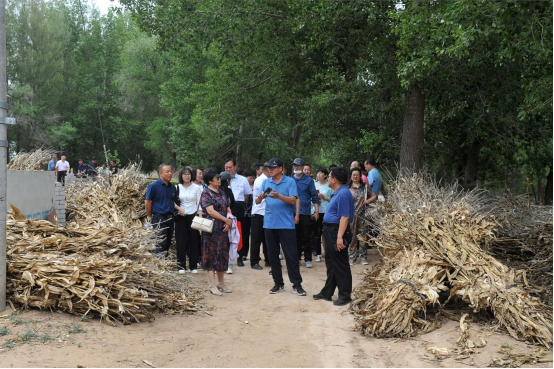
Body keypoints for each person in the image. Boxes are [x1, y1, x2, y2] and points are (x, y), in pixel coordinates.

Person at [256, 158, 306, 296]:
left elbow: (292, 200)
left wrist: (279, 196)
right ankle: (278, 283)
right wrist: (260, 198)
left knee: (291, 255)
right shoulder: (266, 182)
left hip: (286, 225)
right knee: (273, 256)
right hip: (269, 224)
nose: (270, 170)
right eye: (268, 168)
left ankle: (297, 284)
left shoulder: (290, 182)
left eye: (273, 167)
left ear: (281, 168)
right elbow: (257, 200)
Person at [313, 167, 355, 306]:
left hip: (337, 231)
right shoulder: (339, 192)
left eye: (329, 176)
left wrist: (339, 238)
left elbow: (344, 217)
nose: (328, 177)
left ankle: (345, 295)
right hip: (331, 230)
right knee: (331, 263)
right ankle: (327, 292)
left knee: (340, 264)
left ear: (334, 179)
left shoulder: (343, 194)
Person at [200, 168, 234, 296]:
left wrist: (228, 221)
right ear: (210, 180)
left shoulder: (222, 192)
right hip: (212, 229)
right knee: (211, 255)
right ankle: (212, 285)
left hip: (223, 228)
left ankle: (221, 282)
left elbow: (228, 207)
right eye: (217, 177)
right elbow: (210, 211)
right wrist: (225, 219)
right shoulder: (206, 193)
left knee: (222, 254)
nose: (220, 179)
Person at [145, 164, 179, 256]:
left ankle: (164, 264)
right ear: (160, 173)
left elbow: (173, 202)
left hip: (170, 218)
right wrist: (150, 216)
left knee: (168, 242)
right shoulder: (154, 186)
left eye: (171, 171)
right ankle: (160, 265)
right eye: (167, 171)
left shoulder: (172, 187)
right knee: (161, 243)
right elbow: (148, 202)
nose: (170, 173)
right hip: (159, 217)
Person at [224, 158, 253, 266]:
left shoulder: (242, 179)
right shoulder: (221, 179)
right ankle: (226, 256)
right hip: (225, 207)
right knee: (226, 231)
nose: (228, 169)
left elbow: (246, 195)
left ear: (235, 167)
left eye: (230, 167)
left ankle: (240, 256)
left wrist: (240, 206)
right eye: (226, 167)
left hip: (239, 206)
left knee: (240, 232)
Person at [292, 158, 319, 268]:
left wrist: (316, 211)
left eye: (298, 165)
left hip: (305, 212)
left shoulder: (309, 181)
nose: (296, 167)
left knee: (306, 236)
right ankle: (297, 258)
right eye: (295, 165)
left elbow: (315, 197)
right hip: (292, 212)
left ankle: (308, 258)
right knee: (295, 237)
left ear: (303, 167)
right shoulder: (290, 180)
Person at [174, 166, 202, 274]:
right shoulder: (177, 187)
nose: (187, 176)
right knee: (181, 241)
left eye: (189, 174)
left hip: (193, 215)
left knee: (194, 241)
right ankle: (181, 266)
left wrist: (199, 217)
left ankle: (193, 265)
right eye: (185, 174)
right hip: (181, 216)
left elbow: (200, 204)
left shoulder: (196, 188)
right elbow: (172, 201)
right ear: (181, 176)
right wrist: (178, 208)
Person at [347, 168, 376, 265]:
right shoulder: (348, 188)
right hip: (351, 216)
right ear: (351, 176)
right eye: (353, 175)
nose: (355, 176)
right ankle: (352, 257)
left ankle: (363, 257)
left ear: (360, 176)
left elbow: (374, 196)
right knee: (352, 237)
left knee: (363, 237)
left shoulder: (365, 187)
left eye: (357, 175)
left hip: (363, 216)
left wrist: (368, 201)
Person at [251, 163, 270, 270]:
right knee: (256, 238)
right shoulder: (260, 180)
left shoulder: (268, 179)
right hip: (259, 212)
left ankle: (268, 259)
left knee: (267, 238)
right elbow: (265, 195)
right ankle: (254, 261)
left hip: (267, 213)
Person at [313, 167, 334, 262]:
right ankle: (318, 253)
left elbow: (334, 199)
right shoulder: (313, 185)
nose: (319, 175)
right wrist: (315, 202)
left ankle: (327, 252)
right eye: (317, 173)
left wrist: (324, 197)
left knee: (326, 233)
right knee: (317, 233)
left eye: (321, 173)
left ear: (326, 175)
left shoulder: (329, 186)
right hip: (316, 212)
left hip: (327, 212)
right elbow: (310, 198)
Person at [219, 171, 236, 274]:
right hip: (218, 220)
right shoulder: (215, 191)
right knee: (219, 243)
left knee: (229, 242)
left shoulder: (229, 191)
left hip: (228, 220)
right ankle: (219, 264)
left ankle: (229, 265)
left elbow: (233, 204)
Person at [241, 169, 256, 268]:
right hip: (245, 213)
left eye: (252, 178)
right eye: (249, 178)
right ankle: (244, 253)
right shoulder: (243, 187)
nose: (251, 180)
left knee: (254, 235)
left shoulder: (256, 187)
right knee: (245, 234)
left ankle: (254, 255)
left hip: (254, 213)